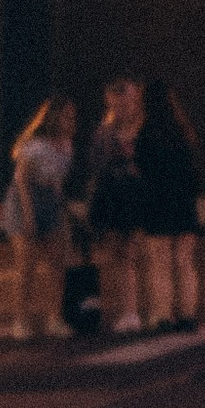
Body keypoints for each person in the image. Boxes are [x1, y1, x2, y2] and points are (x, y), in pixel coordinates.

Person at [133, 76, 204, 330]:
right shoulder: (184, 132)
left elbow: (140, 169)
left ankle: (163, 316)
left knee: (160, 262)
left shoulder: (146, 133)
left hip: (157, 202)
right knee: (185, 262)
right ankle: (188, 316)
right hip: (184, 202)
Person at [4, 95, 77, 339]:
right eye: (66, 116)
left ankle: (55, 318)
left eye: (72, 117)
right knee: (27, 266)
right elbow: (22, 180)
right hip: (25, 199)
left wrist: (63, 210)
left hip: (50, 199)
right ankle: (21, 321)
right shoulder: (35, 145)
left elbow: (57, 181)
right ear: (53, 117)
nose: (71, 121)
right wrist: (29, 214)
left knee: (58, 264)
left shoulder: (67, 145)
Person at [86, 76, 146, 336]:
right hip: (115, 199)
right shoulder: (105, 132)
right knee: (120, 256)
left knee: (145, 254)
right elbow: (97, 166)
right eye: (114, 104)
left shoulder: (146, 129)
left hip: (140, 197)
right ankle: (129, 311)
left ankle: (156, 310)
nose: (119, 109)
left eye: (126, 102)